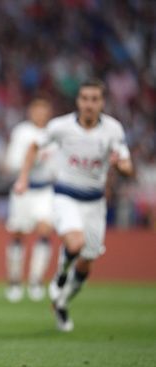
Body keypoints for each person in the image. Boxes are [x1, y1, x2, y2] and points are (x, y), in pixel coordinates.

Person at [14, 80, 133, 331]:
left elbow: (127, 166)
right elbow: (34, 146)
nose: (89, 104)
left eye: (95, 99)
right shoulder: (61, 126)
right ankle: (59, 274)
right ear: (78, 101)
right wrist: (23, 178)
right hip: (65, 195)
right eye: (85, 99)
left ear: (102, 102)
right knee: (75, 243)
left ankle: (62, 303)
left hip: (95, 201)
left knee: (87, 261)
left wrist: (120, 166)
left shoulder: (113, 130)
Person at [4, 99, 55, 302]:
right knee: (18, 233)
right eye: (37, 110)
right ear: (30, 111)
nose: (40, 114)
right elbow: (11, 162)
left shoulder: (55, 132)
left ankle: (36, 280)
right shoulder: (22, 132)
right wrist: (32, 160)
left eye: (44, 110)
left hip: (45, 190)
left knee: (44, 230)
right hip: (23, 189)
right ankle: (15, 280)